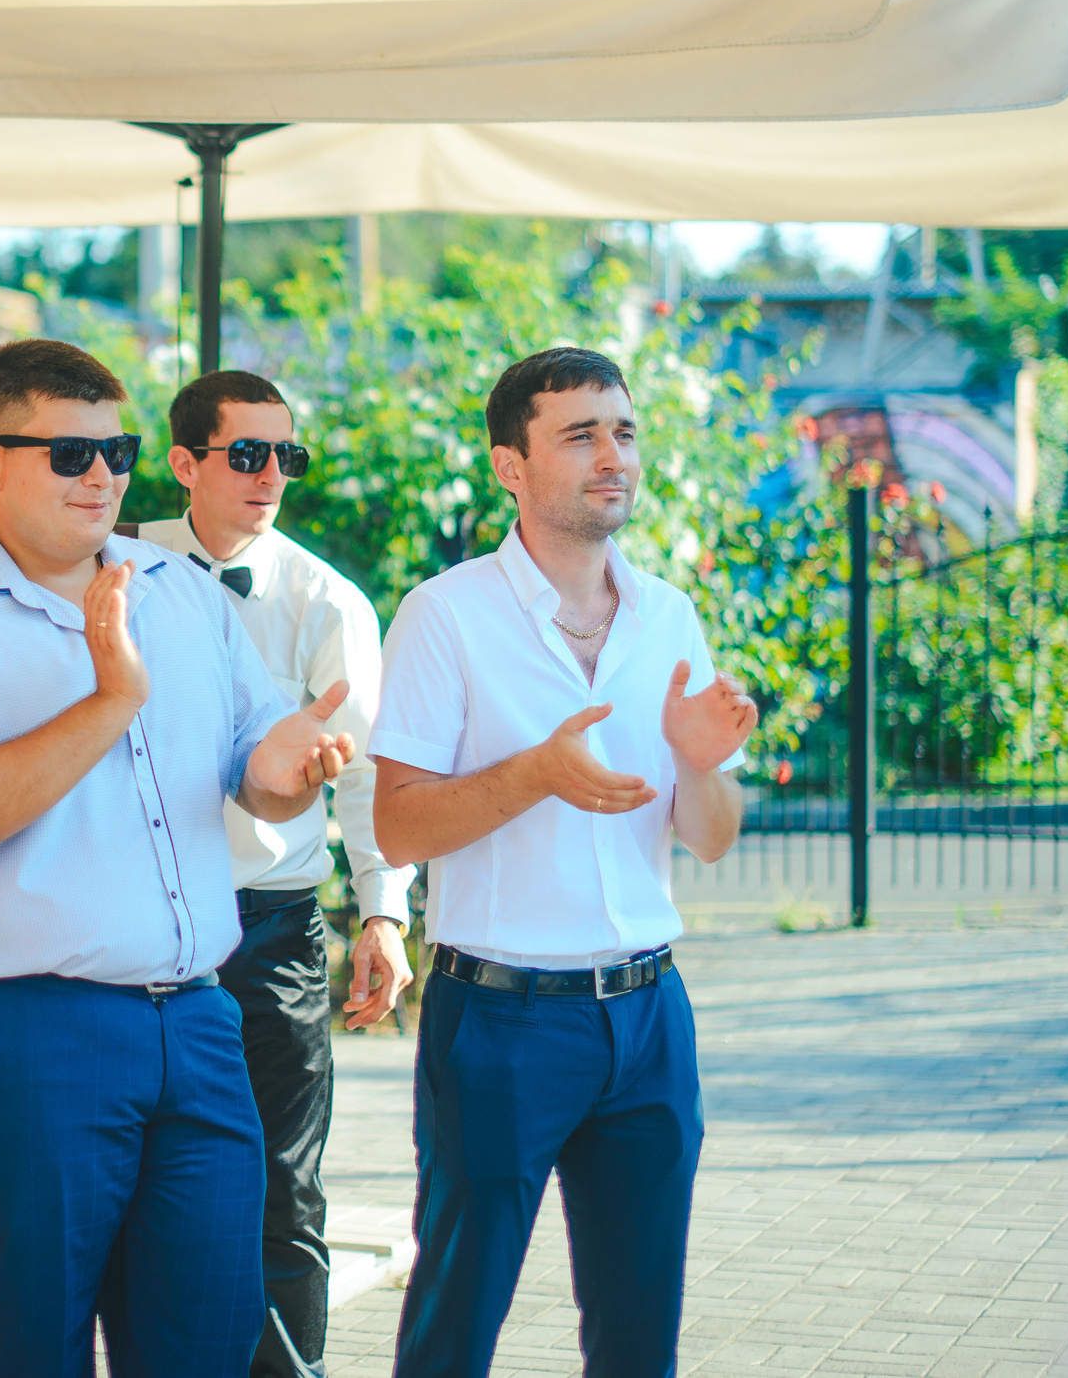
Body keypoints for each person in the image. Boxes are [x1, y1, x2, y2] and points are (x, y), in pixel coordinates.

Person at [0, 338, 356, 1378]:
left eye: (117, 451)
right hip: (11, 1022)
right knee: (29, 1336)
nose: (104, 477)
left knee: (207, 1332)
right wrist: (110, 697)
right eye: (71, 453)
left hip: (196, 1014)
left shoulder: (181, 592)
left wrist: (294, 762)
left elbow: (251, 760)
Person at [370, 347, 757, 1378]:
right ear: (510, 463)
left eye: (623, 430)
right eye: (579, 433)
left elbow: (711, 835)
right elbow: (397, 828)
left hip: (647, 1016)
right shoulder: (443, 614)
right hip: (498, 1021)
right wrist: (536, 772)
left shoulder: (669, 614)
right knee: (456, 1319)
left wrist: (696, 761)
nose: (611, 454)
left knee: (639, 1332)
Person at [138, 369, 415, 1378]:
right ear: (184, 463)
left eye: (283, 455)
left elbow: (369, 774)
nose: (269, 475)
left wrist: (383, 913)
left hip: (271, 923)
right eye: (245, 453)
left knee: (283, 1185)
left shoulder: (326, 599)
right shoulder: (112, 574)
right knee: (145, 1175)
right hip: (137, 919)